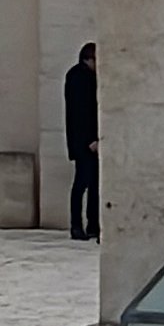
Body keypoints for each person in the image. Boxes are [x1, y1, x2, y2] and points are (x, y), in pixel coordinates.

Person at [63, 40, 99, 241]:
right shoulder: (78, 77)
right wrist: (90, 140)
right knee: (82, 183)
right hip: (84, 142)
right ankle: (76, 225)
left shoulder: (87, 77)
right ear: (88, 59)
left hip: (88, 140)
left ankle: (92, 223)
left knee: (94, 184)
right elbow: (81, 113)